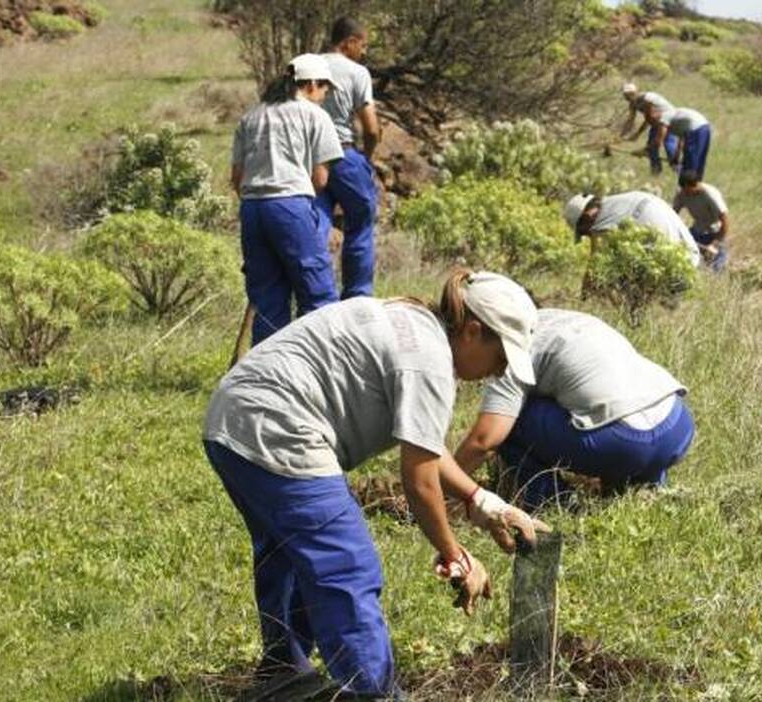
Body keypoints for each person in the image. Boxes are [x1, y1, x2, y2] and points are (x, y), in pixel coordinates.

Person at [202, 270, 548, 700]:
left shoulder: (413, 322)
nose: (497, 374)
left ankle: (283, 673)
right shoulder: (430, 361)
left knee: (288, 552)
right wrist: (455, 554)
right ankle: (374, 693)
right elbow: (419, 482)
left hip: (232, 420)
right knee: (346, 566)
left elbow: (426, 446)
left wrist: (480, 499)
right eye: (500, 358)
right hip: (279, 428)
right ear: (473, 331)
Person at [454, 307, 695, 511]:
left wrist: (438, 486)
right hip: (676, 426)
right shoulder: (560, 318)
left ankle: (552, 503)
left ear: (474, 332)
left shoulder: (510, 350)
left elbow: (483, 442)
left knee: (510, 422)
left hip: (624, 444)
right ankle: (645, 484)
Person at [231, 54, 344, 346]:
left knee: (268, 300)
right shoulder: (314, 115)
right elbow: (320, 179)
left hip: (252, 209)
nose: (324, 96)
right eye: (324, 89)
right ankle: (320, 366)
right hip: (291, 205)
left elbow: (237, 179)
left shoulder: (252, 116)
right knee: (319, 296)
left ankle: (267, 374)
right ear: (311, 84)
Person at [317, 17, 382, 299]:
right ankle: (357, 297)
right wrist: (365, 159)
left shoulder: (305, 65)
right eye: (363, 45)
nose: (364, 52)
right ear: (349, 42)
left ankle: (317, 298)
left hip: (306, 158)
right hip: (342, 153)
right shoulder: (357, 72)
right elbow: (371, 128)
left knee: (315, 225)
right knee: (361, 221)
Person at [562, 191, 701, 268]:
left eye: (583, 232)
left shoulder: (600, 224)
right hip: (692, 257)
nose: (588, 235)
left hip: (673, 268)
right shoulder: (625, 199)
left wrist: (583, 300)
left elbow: (594, 269)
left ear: (587, 217)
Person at [672, 169, 729, 272]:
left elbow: (725, 220)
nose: (685, 193)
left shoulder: (710, 195)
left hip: (714, 232)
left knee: (716, 267)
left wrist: (715, 243)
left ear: (694, 185)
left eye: (687, 190)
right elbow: (673, 213)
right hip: (698, 230)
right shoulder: (682, 193)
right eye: (683, 190)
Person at [620, 83, 679, 175]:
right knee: (652, 148)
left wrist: (637, 134)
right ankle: (656, 172)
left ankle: (679, 170)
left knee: (669, 144)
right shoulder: (633, 104)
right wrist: (620, 136)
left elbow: (649, 118)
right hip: (657, 123)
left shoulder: (647, 99)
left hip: (670, 119)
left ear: (636, 92)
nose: (628, 97)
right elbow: (630, 121)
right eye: (626, 95)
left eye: (630, 94)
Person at [654, 105, 712, 178]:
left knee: (690, 164)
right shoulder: (676, 119)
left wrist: (651, 150)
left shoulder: (664, 116)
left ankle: (688, 185)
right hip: (704, 127)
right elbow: (681, 141)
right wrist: (676, 157)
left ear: (657, 112)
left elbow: (660, 138)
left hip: (695, 129)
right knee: (698, 162)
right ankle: (696, 183)